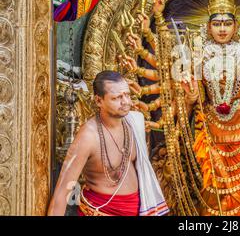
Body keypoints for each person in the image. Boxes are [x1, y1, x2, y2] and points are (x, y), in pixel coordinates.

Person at [47, 71, 168, 216]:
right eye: (117, 97)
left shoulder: (135, 123)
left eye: (127, 95)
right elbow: (61, 194)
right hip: (101, 211)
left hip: (137, 210)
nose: (126, 102)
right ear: (99, 101)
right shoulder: (88, 137)